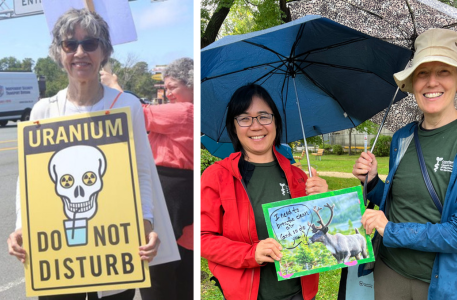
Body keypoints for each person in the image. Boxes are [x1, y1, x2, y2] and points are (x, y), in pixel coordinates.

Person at [7, 8, 160, 300]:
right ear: (58, 52)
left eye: (90, 43)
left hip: (117, 256)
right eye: (70, 44)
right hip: (58, 263)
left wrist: (147, 225)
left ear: (103, 51)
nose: (80, 52)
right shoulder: (44, 110)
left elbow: (141, 172)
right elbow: (28, 182)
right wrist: (21, 226)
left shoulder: (126, 105)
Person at [353, 28, 457, 300]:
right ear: (412, 83)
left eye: (443, 71)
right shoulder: (403, 137)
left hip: (445, 283)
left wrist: (390, 229)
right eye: (422, 73)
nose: (432, 82)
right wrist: (372, 181)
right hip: (389, 272)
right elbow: (399, 202)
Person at [201, 83, 329, 300]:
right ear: (234, 126)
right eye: (244, 118)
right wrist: (251, 253)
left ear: (275, 122)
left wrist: (323, 199)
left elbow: (319, 233)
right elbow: (203, 238)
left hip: (300, 294)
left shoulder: (299, 176)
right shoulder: (217, 176)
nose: (255, 126)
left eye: (263, 116)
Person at [101, 58, 194, 300]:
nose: (168, 93)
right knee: (180, 266)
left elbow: (136, 114)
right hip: (179, 190)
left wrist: (113, 83)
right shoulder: (189, 111)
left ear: (191, 84)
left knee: (156, 261)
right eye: (166, 87)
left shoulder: (186, 111)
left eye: (172, 86)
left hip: (169, 186)